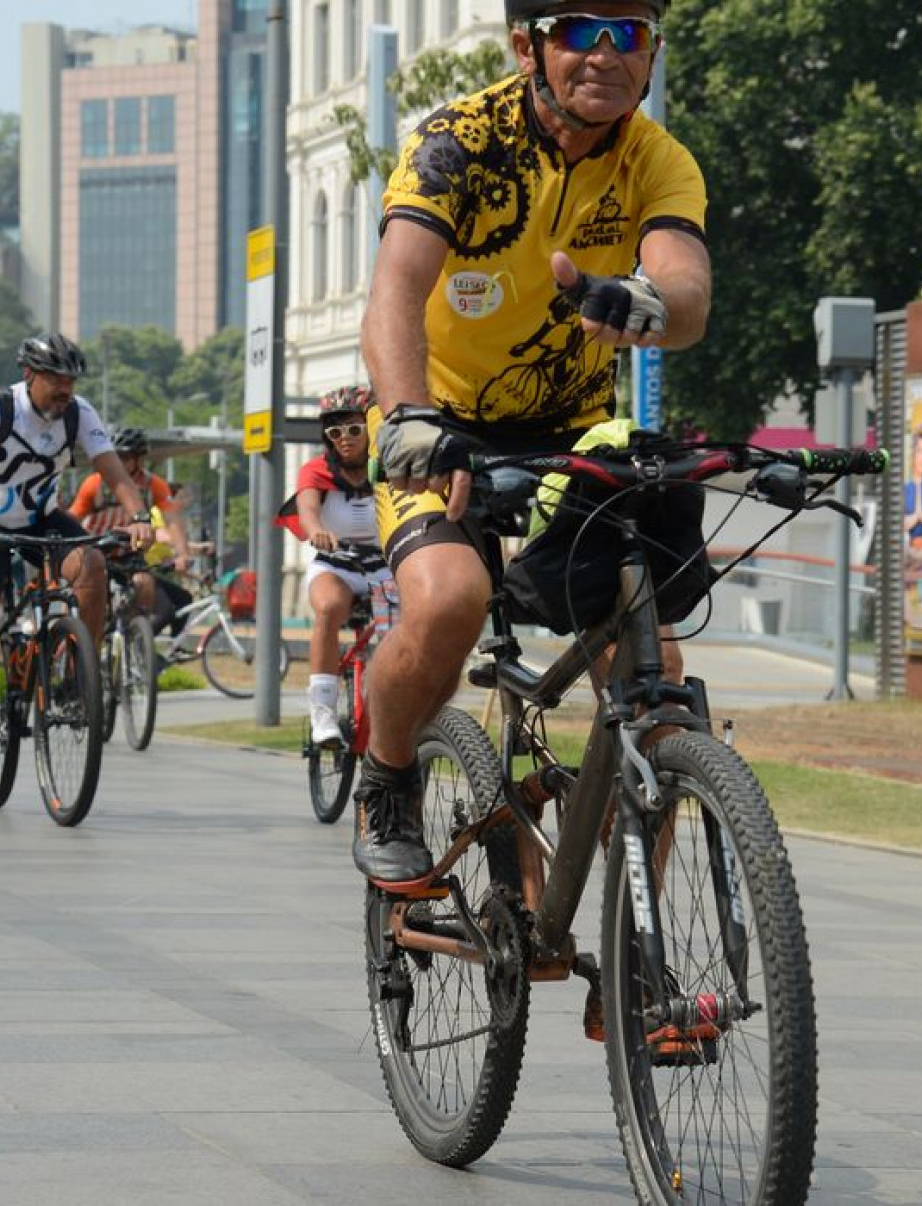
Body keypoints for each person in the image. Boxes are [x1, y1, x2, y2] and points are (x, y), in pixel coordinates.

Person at [352, 0, 710, 886]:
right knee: (446, 601)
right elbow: (394, 296)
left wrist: (649, 303)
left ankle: (639, 965)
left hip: (573, 435)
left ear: (652, 54)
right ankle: (388, 774)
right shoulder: (458, 141)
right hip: (438, 419)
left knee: (657, 675)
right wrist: (410, 421)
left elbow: (688, 291)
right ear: (527, 47)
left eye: (625, 34)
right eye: (578, 30)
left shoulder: (655, 158)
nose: (603, 53)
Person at [0, 334, 154, 754]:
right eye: (56, 379)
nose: (65, 390)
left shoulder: (79, 414)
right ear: (29, 374)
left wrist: (140, 516)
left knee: (92, 565)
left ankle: (79, 678)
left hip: (41, 519)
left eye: (71, 382)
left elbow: (113, 471)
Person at [286, 386, 391, 746]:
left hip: (384, 568)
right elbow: (308, 511)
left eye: (353, 430)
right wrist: (316, 531)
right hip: (336, 565)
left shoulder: (390, 468)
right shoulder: (316, 470)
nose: (344, 440)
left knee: (410, 630)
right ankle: (324, 713)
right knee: (330, 607)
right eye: (334, 433)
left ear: (371, 429)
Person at [66, 423, 195, 635]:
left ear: (139, 459)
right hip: (97, 549)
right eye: (115, 457)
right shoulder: (94, 484)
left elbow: (172, 520)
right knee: (87, 594)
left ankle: (133, 638)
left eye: (125, 458)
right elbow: (74, 517)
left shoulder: (154, 485)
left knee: (144, 583)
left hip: (129, 551)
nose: (119, 463)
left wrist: (183, 554)